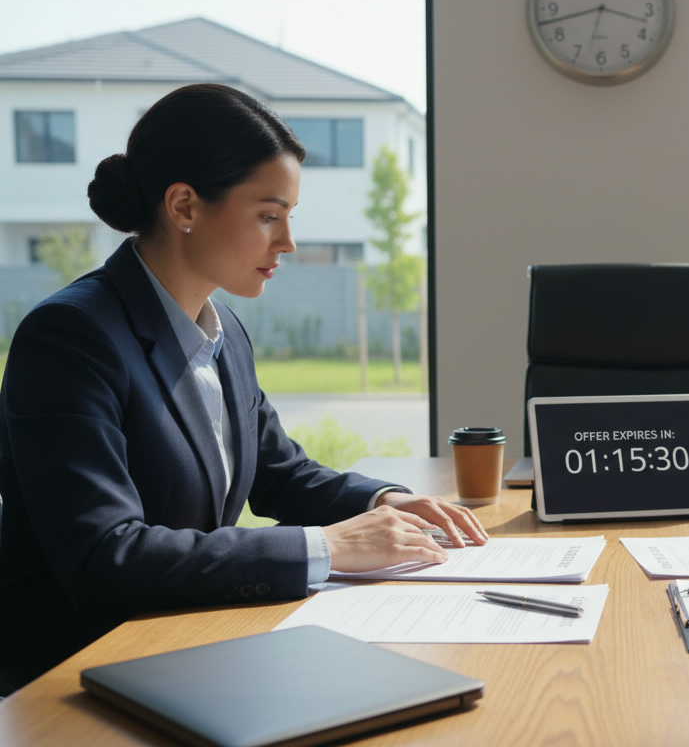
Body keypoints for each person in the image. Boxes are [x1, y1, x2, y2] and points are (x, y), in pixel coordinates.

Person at [0, 84, 489, 693]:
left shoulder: (223, 327)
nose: (286, 242)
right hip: (78, 675)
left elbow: (278, 472)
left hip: (191, 647)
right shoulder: (71, 338)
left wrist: (381, 502)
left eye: (289, 218)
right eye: (268, 215)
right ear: (184, 206)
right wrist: (327, 547)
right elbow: (105, 557)